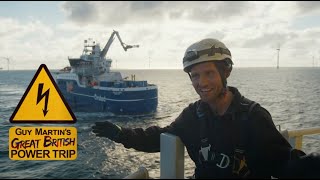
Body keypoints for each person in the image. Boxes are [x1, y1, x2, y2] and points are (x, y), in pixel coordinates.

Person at [92, 38, 320, 178]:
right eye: (195, 76)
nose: (201, 83)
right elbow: (159, 138)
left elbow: (284, 164)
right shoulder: (193, 116)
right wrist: (122, 134)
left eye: (209, 73)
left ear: (226, 71)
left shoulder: (253, 117)